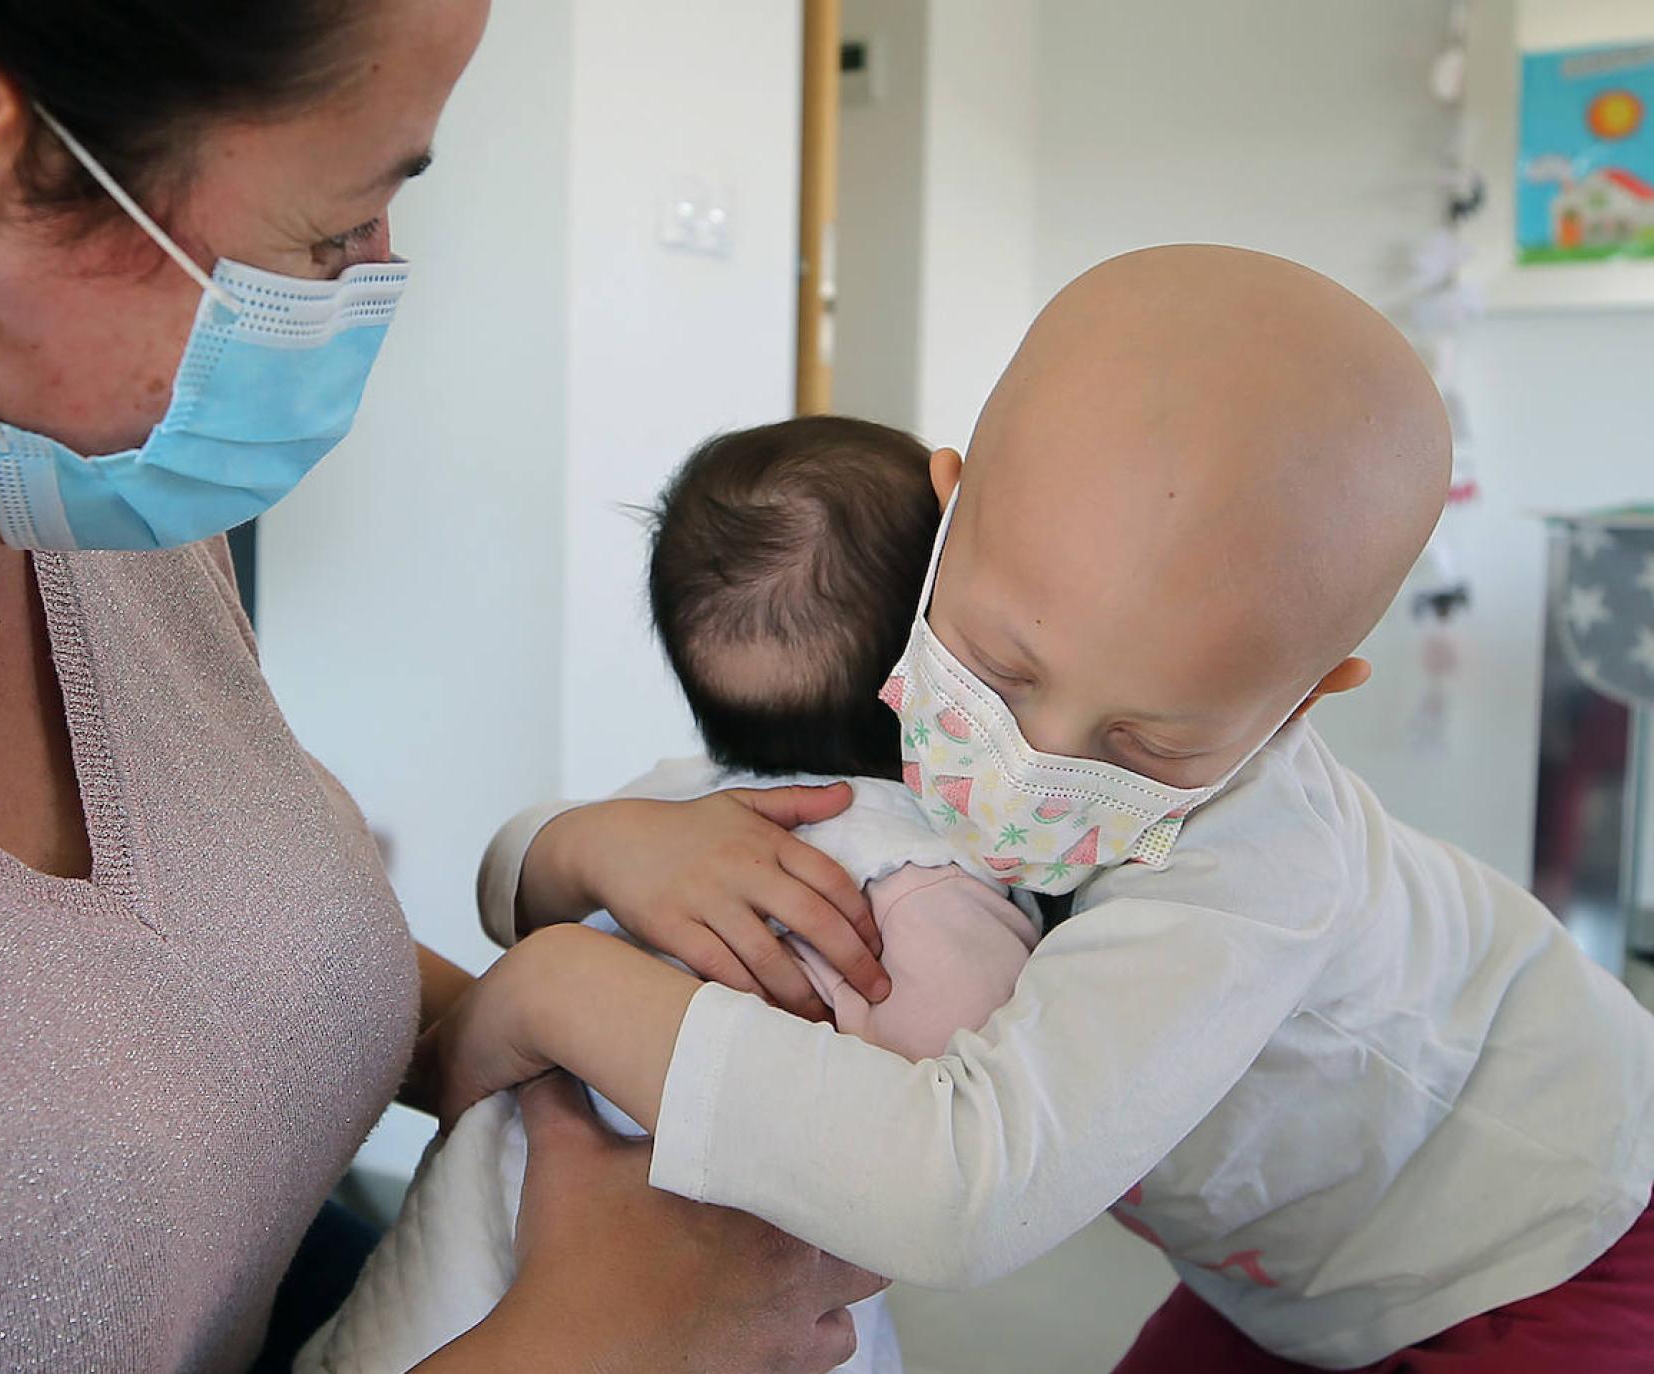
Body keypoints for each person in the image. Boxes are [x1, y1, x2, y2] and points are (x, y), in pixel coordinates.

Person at [0, 2, 885, 1370]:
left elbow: (208, 990)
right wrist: (598, 1336)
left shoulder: (94, 498)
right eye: (336, 232)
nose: (372, 281)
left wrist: (542, 993)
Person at [439, 247, 1654, 1371]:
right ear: (948, 514)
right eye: (1004, 672)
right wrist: (593, 848)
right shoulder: (907, 667)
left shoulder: (1259, 867)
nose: (1030, 765)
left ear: (1303, 699)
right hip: (1276, 1270)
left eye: (1148, 740)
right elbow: (622, 826)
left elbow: (963, 1189)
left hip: (1539, 1243)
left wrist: (570, 990)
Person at [304, 418, 1039, 1373]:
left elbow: (508, 879)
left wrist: (596, 844)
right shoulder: (931, 894)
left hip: (432, 1300)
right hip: (704, 1317)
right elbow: (987, 1163)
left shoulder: (671, 811)